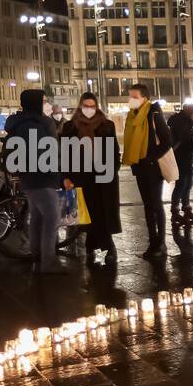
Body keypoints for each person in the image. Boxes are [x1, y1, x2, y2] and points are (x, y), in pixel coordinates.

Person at [3, 88, 66, 274]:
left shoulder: (22, 122)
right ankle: (49, 262)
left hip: (30, 177)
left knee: (38, 218)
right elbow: (43, 151)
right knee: (53, 218)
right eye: (43, 101)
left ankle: (37, 254)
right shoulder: (34, 124)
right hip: (41, 177)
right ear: (36, 103)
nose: (45, 104)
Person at [61, 91, 121, 267]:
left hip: (104, 176)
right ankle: (95, 244)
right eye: (86, 106)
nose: (89, 109)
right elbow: (64, 154)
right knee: (89, 212)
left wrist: (113, 170)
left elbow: (114, 152)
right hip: (81, 176)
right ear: (80, 106)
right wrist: (65, 177)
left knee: (104, 212)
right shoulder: (70, 127)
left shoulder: (106, 125)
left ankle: (107, 246)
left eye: (92, 106)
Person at [120, 82, 173, 259]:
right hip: (139, 166)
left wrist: (151, 158)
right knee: (148, 205)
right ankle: (153, 241)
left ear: (145, 98)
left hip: (152, 167)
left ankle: (161, 244)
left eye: (135, 97)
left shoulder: (153, 114)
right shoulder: (132, 116)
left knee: (156, 204)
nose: (131, 100)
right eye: (130, 96)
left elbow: (167, 140)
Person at [166, 103, 193, 226]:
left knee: (188, 184)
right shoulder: (181, 123)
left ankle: (186, 209)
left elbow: (190, 142)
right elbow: (187, 141)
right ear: (189, 113)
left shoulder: (186, 122)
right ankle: (175, 212)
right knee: (181, 184)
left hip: (187, 158)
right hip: (180, 158)